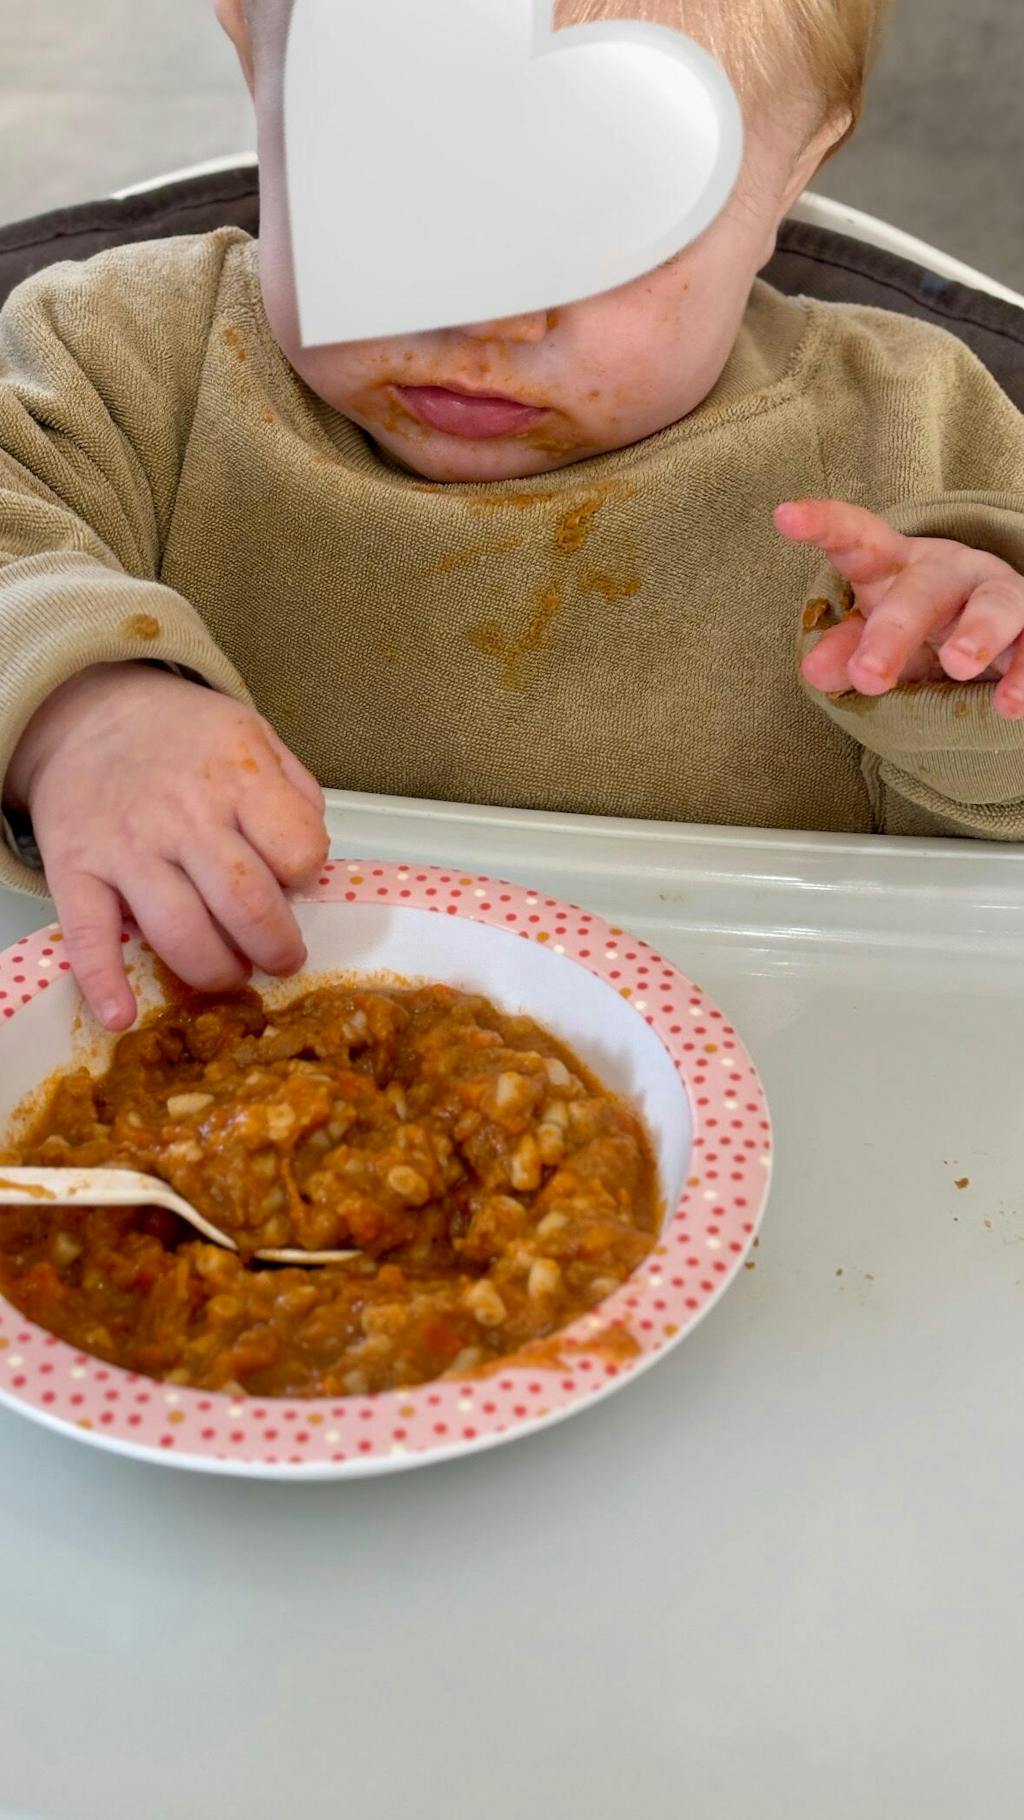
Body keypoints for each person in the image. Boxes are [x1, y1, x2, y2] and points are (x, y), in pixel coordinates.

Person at [0, 0, 1022, 1032]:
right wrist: (77, 708)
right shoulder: (125, 364)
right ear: (257, 79)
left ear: (793, 173)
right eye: (405, 178)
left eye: (615, 216)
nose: (489, 316)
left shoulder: (914, 440)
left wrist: (969, 680)